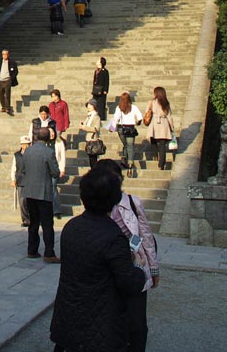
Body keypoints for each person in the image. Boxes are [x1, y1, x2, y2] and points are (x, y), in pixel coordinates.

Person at [49, 166, 146, 352]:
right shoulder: (113, 237)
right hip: (101, 318)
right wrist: (138, 267)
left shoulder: (71, 227)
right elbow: (129, 283)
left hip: (70, 312)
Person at [97, 159, 160, 352]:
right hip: (108, 269)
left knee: (137, 322)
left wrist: (154, 268)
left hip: (135, 266)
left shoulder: (133, 202)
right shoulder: (96, 205)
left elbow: (146, 235)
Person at [22, 127, 60, 262]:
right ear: (49, 137)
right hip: (43, 192)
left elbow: (22, 169)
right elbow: (55, 172)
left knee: (33, 222)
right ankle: (49, 253)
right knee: (47, 224)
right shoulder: (49, 152)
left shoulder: (28, 151)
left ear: (36, 137)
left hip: (29, 191)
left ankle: (32, 250)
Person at [111, 92, 143, 177]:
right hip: (131, 128)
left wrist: (112, 128)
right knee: (130, 146)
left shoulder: (119, 108)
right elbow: (140, 117)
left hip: (121, 128)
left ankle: (124, 157)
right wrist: (137, 122)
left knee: (125, 144)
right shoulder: (134, 107)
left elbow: (115, 119)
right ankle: (130, 164)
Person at [144, 86, 174, 170]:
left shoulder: (152, 102)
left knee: (152, 139)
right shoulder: (166, 102)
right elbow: (169, 115)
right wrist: (171, 126)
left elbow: (147, 111)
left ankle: (155, 155)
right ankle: (162, 164)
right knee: (162, 145)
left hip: (154, 123)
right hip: (164, 124)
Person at [11, 134, 31, 227]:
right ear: (21, 145)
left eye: (27, 144)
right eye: (24, 144)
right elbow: (13, 167)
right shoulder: (17, 155)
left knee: (30, 200)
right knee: (22, 201)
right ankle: (26, 220)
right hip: (20, 179)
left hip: (31, 179)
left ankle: (33, 218)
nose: (26, 146)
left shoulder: (33, 154)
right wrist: (12, 179)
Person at [81, 99, 103, 168]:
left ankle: (95, 173)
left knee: (93, 159)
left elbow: (96, 128)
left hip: (93, 139)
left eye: (90, 105)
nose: (88, 106)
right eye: (88, 105)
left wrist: (85, 127)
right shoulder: (89, 116)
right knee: (91, 159)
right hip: (89, 139)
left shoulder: (96, 117)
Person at [0, 48, 19, 114]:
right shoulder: (0, 61)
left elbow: (16, 71)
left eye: (6, 54)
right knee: (1, 94)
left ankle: (8, 107)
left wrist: (11, 78)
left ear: (8, 54)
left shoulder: (12, 62)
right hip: (1, 80)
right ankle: (3, 107)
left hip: (7, 80)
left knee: (7, 94)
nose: (4, 56)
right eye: (3, 54)